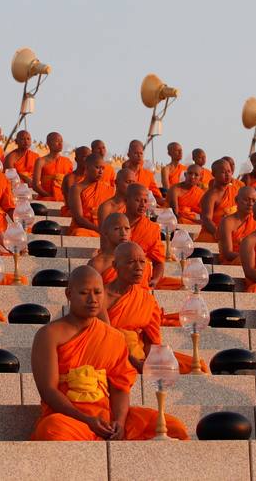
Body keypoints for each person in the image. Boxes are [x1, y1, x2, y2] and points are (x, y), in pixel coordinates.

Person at [30, 265, 188, 440]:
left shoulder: (113, 337)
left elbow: (120, 388)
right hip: (71, 419)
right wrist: (87, 420)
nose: (92, 299)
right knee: (53, 429)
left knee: (174, 428)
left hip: (107, 419)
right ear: (69, 294)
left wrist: (119, 422)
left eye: (98, 292)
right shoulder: (49, 335)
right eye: (84, 293)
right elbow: (48, 391)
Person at [103, 242, 203, 374]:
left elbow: (151, 342)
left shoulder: (147, 300)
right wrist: (133, 361)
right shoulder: (99, 297)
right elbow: (99, 337)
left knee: (194, 366)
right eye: (131, 262)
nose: (139, 268)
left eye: (142, 262)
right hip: (106, 354)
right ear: (115, 265)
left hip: (137, 356)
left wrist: (151, 362)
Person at [68, 155, 115, 237]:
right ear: (87, 168)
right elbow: (79, 219)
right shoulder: (76, 189)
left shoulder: (108, 190)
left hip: (103, 229)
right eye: (97, 167)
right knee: (78, 233)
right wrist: (99, 229)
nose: (100, 171)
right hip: (85, 229)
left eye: (103, 168)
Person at [197, 158, 238, 243]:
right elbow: (206, 219)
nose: (227, 175)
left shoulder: (235, 190)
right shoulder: (211, 196)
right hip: (213, 234)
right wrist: (220, 234)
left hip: (232, 233)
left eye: (229, 171)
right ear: (214, 174)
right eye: (223, 172)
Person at [217, 186, 256, 264]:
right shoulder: (227, 222)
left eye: (254, 201)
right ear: (236, 200)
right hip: (233, 261)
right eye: (246, 200)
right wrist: (251, 258)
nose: (250, 204)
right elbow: (228, 254)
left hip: (254, 260)